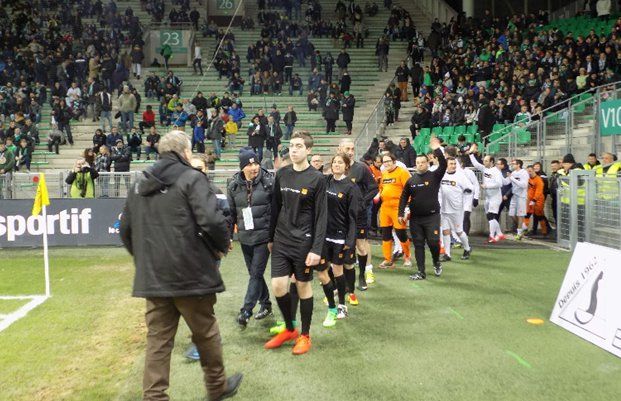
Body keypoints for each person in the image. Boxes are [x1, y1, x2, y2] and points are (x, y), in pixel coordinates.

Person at [119, 131, 242, 401]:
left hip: (154, 279)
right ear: (185, 152)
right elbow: (211, 220)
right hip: (191, 275)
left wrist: (145, 262)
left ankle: (154, 397)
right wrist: (222, 245)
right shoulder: (192, 178)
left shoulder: (139, 184)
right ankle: (216, 387)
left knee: (158, 342)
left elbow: (125, 231)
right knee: (206, 334)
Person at [264, 132, 327, 355]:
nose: (294, 150)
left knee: (302, 286)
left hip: (304, 242)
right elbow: (276, 207)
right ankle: (290, 329)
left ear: (308, 150)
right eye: (291, 146)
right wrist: (271, 237)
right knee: (278, 286)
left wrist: (316, 249)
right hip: (282, 239)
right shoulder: (282, 174)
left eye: (299, 146)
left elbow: (321, 216)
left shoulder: (317, 179)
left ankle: (305, 335)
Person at [227, 149, 275, 327]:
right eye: (249, 164)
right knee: (255, 274)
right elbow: (231, 214)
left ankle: (246, 310)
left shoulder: (269, 181)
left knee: (255, 273)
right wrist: (228, 237)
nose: (254, 167)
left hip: (264, 237)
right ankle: (266, 304)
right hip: (245, 237)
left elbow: (278, 210)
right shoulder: (233, 185)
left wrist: (274, 236)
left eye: (256, 163)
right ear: (242, 167)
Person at [319, 154, 360, 326]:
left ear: (346, 167)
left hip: (340, 237)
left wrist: (349, 241)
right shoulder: (325, 181)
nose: (336, 165)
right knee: (322, 271)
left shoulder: (351, 188)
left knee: (338, 271)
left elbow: (353, 218)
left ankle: (342, 305)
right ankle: (332, 305)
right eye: (334, 162)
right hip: (323, 236)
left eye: (340, 163)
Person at [398, 137, 447, 280]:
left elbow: (443, 164)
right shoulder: (411, 180)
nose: (420, 165)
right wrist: (400, 212)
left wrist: (437, 148)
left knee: (433, 242)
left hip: (432, 216)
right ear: (415, 164)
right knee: (418, 244)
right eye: (418, 163)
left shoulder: (434, 176)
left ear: (427, 163)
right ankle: (421, 272)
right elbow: (403, 197)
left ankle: (436, 262)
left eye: (423, 162)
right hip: (415, 218)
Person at [339, 138, 378, 289]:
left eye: (352, 149)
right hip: (340, 216)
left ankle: (362, 276)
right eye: (347, 149)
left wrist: (362, 202)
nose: (350, 152)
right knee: (343, 248)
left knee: (361, 245)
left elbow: (374, 188)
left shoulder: (361, 168)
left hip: (358, 215)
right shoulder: (336, 168)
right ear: (339, 149)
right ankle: (345, 282)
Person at [376, 152, 412, 269]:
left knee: (401, 233)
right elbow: (382, 188)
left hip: (398, 208)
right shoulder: (384, 174)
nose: (386, 164)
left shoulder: (402, 172)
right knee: (385, 234)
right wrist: (378, 195)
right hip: (385, 207)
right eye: (384, 162)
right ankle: (387, 259)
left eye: (388, 161)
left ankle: (407, 256)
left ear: (394, 161)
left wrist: (407, 207)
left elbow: (409, 190)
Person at [468, 144, 505, 242]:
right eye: (484, 160)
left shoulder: (496, 171)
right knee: (489, 217)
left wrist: (486, 186)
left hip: (495, 197)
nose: (484, 162)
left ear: (492, 162)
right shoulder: (485, 169)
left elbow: (500, 184)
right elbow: (475, 164)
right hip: (488, 197)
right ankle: (500, 234)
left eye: (486, 161)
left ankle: (492, 236)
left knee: (491, 216)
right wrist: (471, 154)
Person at [439, 157, 473, 261]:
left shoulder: (460, 176)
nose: (453, 165)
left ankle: (467, 248)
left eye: (454, 164)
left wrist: (468, 190)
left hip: (457, 209)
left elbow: (470, 188)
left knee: (459, 231)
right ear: (446, 165)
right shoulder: (441, 175)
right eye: (451, 164)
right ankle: (447, 254)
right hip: (444, 209)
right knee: (445, 231)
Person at [506, 159, 529, 239]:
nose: (513, 165)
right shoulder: (513, 173)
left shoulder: (524, 173)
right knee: (511, 214)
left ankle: (519, 233)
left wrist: (512, 178)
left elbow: (523, 185)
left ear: (519, 164)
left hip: (521, 196)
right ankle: (523, 226)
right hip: (514, 195)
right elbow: (507, 182)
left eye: (514, 164)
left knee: (520, 215)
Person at [524, 165, 549, 236]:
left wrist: (534, 200)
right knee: (527, 214)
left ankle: (544, 231)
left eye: (530, 171)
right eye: (528, 171)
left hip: (538, 200)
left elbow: (539, 191)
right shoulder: (528, 179)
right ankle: (524, 230)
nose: (529, 173)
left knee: (539, 215)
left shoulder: (538, 179)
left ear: (534, 170)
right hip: (530, 199)